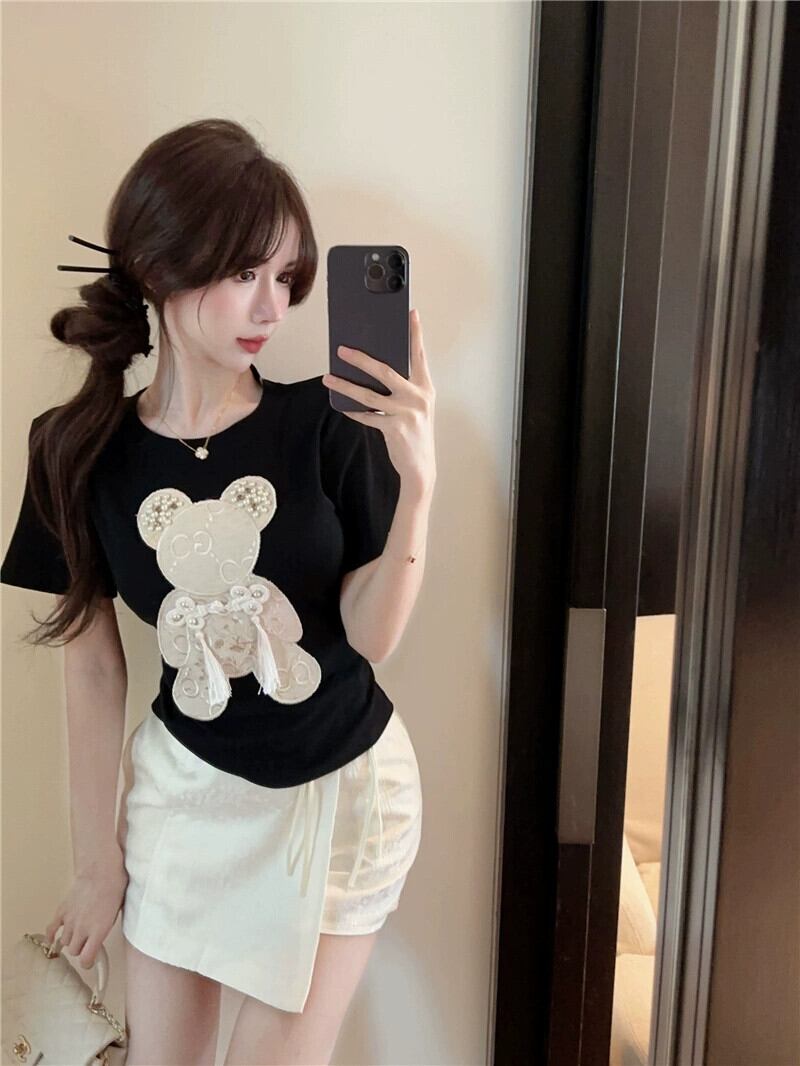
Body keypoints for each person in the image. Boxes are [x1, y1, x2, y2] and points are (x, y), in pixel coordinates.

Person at [0, 116, 437, 1065]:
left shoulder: (327, 423)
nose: (272, 307)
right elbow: (92, 672)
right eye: (245, 272)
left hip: (341, 794)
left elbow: (368, 642)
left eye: (287, 277)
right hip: (186, 800)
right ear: (159, 267)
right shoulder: (74, 451)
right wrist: (96, 864)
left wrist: (420, 488)